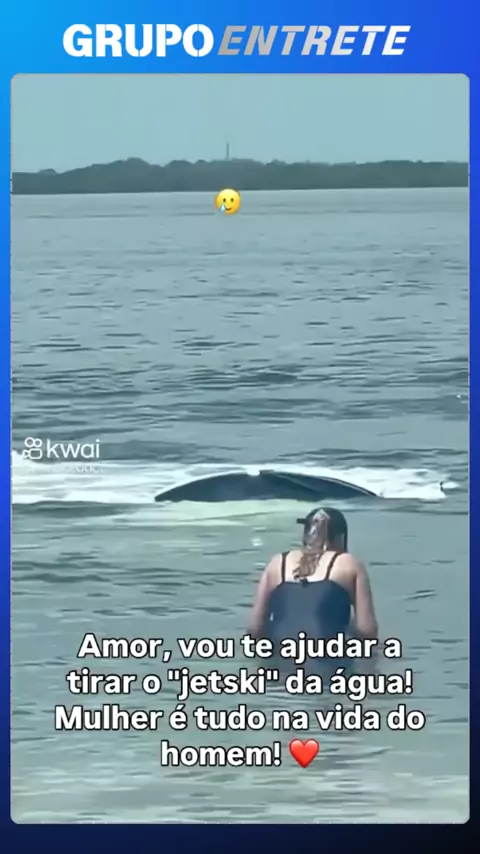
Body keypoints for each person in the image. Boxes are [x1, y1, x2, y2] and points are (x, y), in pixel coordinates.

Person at [248, 507, 378, 645]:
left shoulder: (277, 562)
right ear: (340, 538)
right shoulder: (349, 563)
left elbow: (255, 629)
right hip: (327, 651)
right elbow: (367, 631)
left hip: (280, 649)